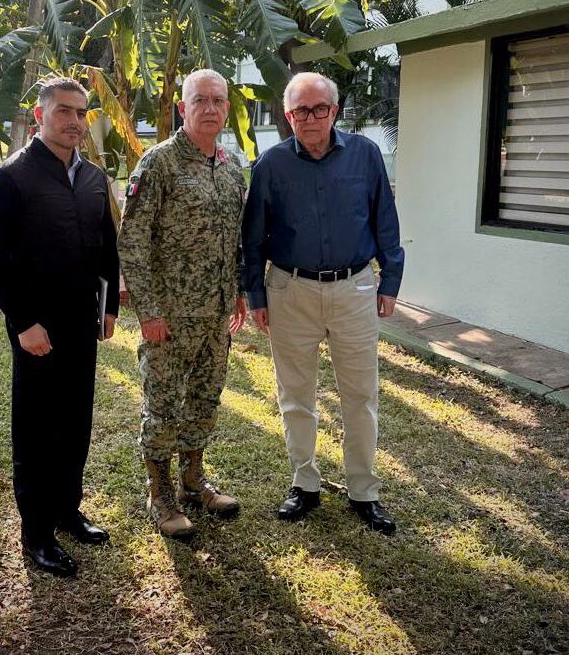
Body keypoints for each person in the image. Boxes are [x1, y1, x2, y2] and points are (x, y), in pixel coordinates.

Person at [242, 72, 404, 534]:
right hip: (290, 291)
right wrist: (256, 294)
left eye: (319, 109)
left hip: (354, 289)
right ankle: (304, 484)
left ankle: (363, 491)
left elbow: (384, 219)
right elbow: (253, 238)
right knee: (295, 394)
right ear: (287, 116)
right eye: (299, 111)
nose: (309, 118)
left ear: (334, 111)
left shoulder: (366, 155)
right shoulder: (270, 165)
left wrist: (389, 280)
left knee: (360, 394)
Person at [0, 77, 120, 576]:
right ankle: (35, 533)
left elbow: (107, 248)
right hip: (37, 329)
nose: (75, 122)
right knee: (37, 431)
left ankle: (66, 511)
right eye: (64, 111)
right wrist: (24, 322)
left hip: (83, 323)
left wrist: (109, 308)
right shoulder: (11, 178)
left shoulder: (95, 178)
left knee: (75, 422)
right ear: (40, 116)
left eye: (82, 113)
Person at [118, 69, 247, 539]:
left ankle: (194, 481)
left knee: (204, 399)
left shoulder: (232, 168)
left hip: (214, 315)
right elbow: (131, 240)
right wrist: (148, 310)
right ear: (182, 107)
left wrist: (236, 292)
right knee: (163, 405)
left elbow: (235, 240)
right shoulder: (159, 164)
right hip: (168, 317)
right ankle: (161, 493)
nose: (210, 108)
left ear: (226, 109)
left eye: (218, 101)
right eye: (200, 101)